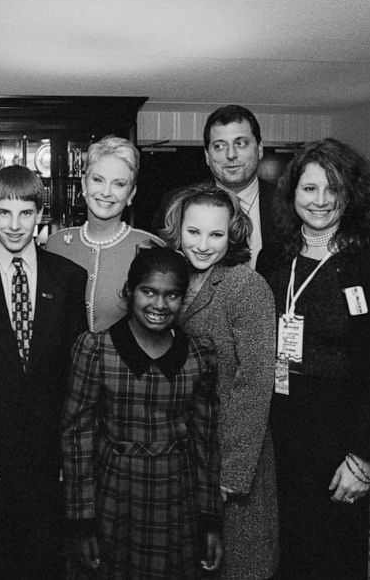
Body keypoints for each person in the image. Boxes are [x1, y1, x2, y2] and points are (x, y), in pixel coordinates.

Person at [257, 138, 370, 578]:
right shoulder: (276, 257)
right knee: (282, 541)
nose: (320, 201)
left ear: (351, 194)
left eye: (333, 189)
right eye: (309, 188)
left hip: (339, 428)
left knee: (333, 545)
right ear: (292, 194)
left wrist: (363, 455)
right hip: (279, 421)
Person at [0, 165, 87, 577]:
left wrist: (72, 447)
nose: (14, 225)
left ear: (40, 214)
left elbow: (78, 371)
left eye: (25, 213)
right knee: (2, 559)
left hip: (51, 448)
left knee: (48, 558)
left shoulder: (70, 277)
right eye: (4, 213)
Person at [61, 247, 223, 578]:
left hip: (177, 501)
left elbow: (205, 443)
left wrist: (210, 520)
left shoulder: (198, 354)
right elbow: (77, 439)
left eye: (172, 295)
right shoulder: (96, 350)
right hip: (114, 499)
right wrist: (81, 524)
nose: (159, 305)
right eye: (148, 291)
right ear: (130, 291)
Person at [164, 184, 278, 579]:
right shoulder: (169, 281)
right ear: (177, 230)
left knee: (238, 564)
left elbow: (255, 382)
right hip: (180, 452)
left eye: (216, 234)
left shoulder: (246, 287)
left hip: (231, 455)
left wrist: (230, 473)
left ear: (233, 235)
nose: (203, 244)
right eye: (194, 232)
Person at [45, 135, 163, 332]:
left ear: (131, 194)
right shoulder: (56, 244)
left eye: (119, 184)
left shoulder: (151, 248)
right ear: (84, 185)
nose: (106, 192)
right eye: (98, 180)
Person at [156, 105, 277, 269]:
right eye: (219, 146)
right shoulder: (177, 203)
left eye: (241, 143)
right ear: (207, 155)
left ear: (260, 149)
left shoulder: (288, 203)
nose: (231, 154)